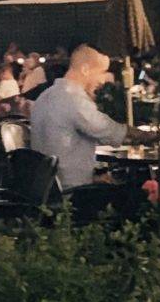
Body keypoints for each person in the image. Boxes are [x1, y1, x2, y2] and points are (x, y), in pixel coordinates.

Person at [28, 40, 129, 191]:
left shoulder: (45, 96)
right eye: (101, 72)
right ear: (85, 69)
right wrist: (150, 136)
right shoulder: (74, 99)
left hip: (47, 189)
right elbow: (111, 131)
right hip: (71, 193)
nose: (103, 80)